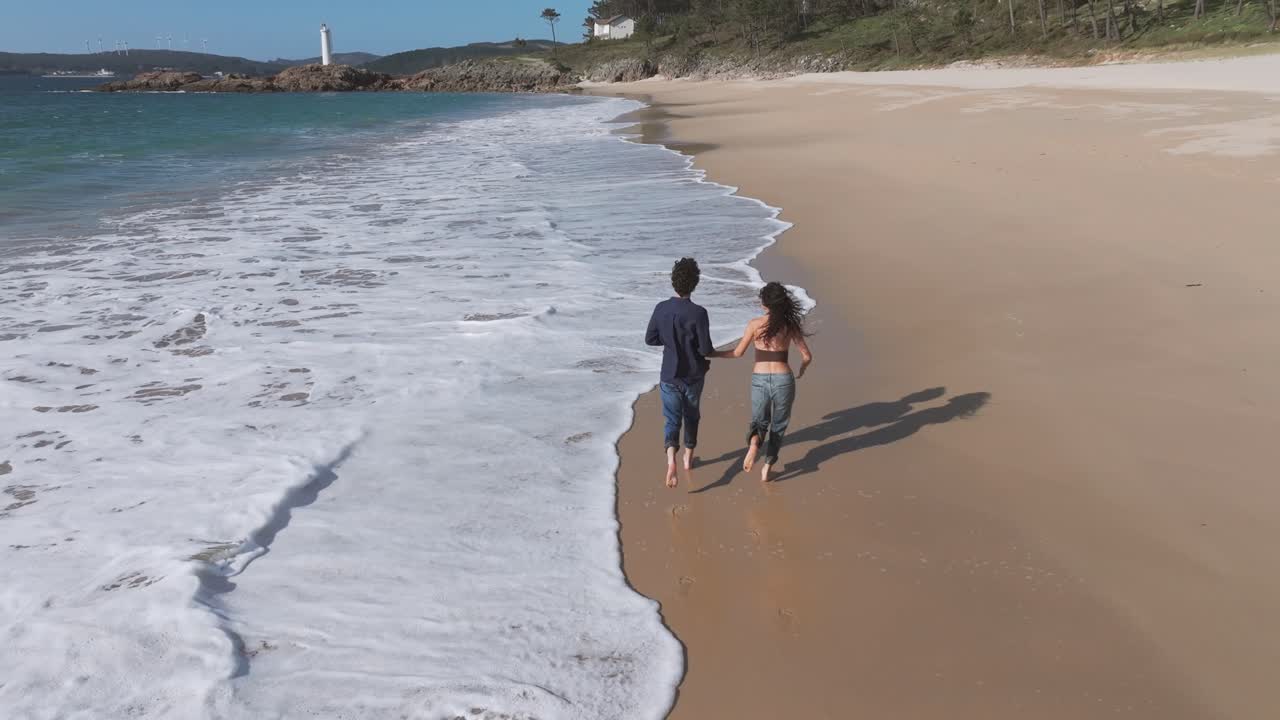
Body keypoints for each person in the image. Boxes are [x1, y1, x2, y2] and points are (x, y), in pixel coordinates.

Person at [712, 282, 813, 482]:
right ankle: (767, 467)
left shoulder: (754, 324)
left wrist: (713, 353)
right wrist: (802, 368)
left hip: (759, 378)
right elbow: (807, 356)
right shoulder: (789, 325)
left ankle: (754, 445)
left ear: (765, 304)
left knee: (759, 421)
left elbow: (737, 353)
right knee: (779, 424)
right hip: (784, 378)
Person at [646, 258, 715, 489]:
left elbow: (650, 339)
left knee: (672, 419)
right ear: (695, 283)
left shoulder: (661, 308)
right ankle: (687, 458)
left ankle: (670, 460)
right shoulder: (699, 313)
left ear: (673, 281)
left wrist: (670, 342)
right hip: (693, 375)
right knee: (692, 416)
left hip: (668, 375)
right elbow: (706, 349)